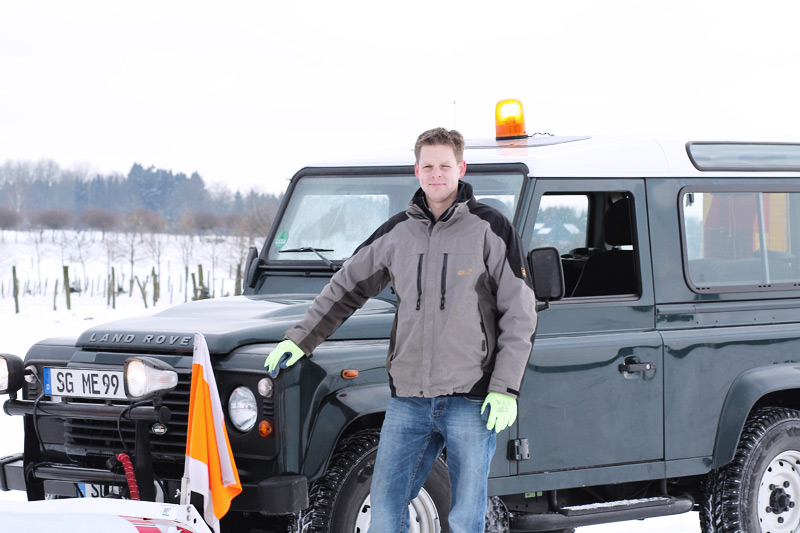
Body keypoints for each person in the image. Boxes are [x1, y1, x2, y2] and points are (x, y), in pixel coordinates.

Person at [265, 128, 538, 533]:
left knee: (466, 518)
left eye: (444, 166)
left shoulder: (490, 227)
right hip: (409, 399)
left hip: (470, 396)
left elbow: (520, 312)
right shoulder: (397, 232)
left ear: (461, 168)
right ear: (417, 170)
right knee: (385, 511)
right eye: (428, 166)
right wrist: (300, 338)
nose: (436, 174)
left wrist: (505, 387)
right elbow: (346, 287)